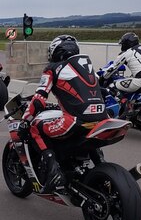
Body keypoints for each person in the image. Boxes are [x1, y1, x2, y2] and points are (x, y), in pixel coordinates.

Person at [18, 35, 108, 193]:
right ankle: (102, 167)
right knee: (88, 136)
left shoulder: (53, 68)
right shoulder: (87, 67)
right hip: (102, 119)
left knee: (34, 128)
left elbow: (39, 100)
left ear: (55, 51)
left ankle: (53, 171)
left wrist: (25, 120)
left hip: (74, 121)